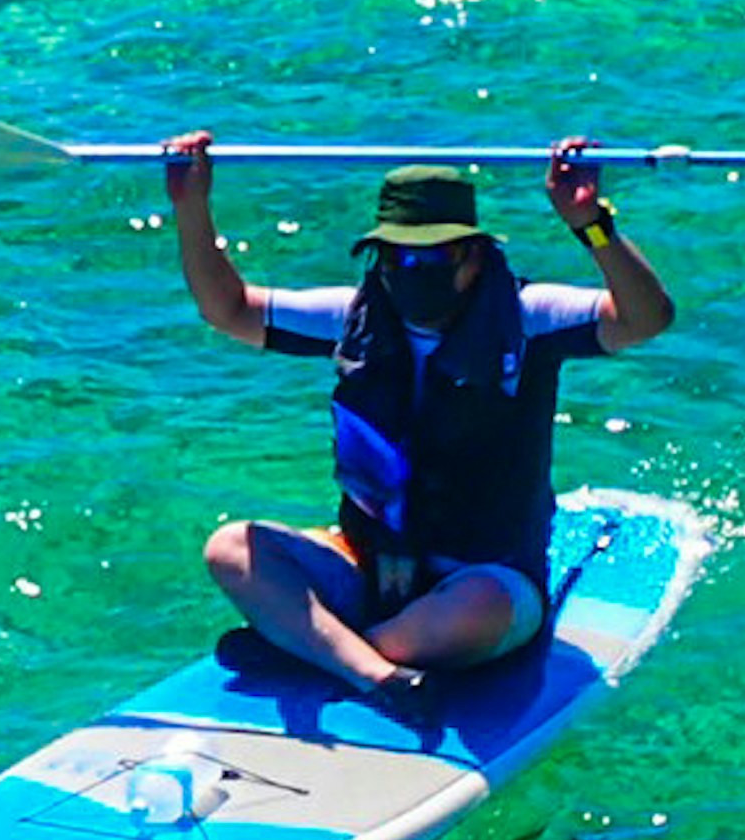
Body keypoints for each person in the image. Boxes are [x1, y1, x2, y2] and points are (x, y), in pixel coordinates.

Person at [162, 130, 675, 711]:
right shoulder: (354, 316)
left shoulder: (527, 318)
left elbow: (646, 317)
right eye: (399, 257)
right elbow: (227, 309)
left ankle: (323, 649)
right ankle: (375, 674)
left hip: (487, 577)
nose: (414, 272)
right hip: (374, 568)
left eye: (434, 257)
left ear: (474, 255)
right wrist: (191, 207)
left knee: (474, 612)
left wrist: (592, 224)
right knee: (232, 548)